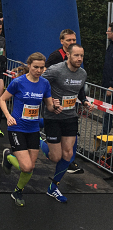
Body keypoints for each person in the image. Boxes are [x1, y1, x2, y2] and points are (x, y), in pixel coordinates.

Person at [0, 53, 58, 207]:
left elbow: (49, 106)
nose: (39, 70)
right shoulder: (18, 82)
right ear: (29, 66)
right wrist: (8, 116)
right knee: (26, 167)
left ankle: (17, 191)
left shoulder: (45, 84)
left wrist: (55, 107)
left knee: (30, 168)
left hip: (33, 129)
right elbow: (2, 99)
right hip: (17, 127)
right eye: (35, 67)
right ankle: (8, 156)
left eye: (41, 68)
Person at [39, 43, 92, 203]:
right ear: (68, 55)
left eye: (81, 56)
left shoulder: (82, 73)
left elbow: (79, 89)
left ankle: (53, 187)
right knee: (55, 157)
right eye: (76, 55)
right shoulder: (55, 70)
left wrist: (84, 101)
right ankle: (37, 138)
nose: (79, 59)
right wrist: (50, 101)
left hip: (70, 117)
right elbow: (40, 84)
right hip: (53, 116)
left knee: (68, 154)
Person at [102, 23, 113, 134]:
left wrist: (112, 86)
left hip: (111, 87)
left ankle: (105, 134)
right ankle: (104, 134)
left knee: (108, 112)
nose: (107, 33)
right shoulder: (110, 46)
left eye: (109, 31)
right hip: (108, 85)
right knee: (107, 111)